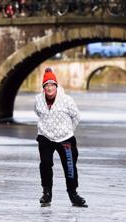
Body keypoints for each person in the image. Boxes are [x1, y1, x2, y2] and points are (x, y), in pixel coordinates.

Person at [34, 68, 87, 207]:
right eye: (46, 85)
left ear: (56, 86)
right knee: (45, 164)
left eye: (52, 85)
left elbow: (76, 116)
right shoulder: (38, 100)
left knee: (69, 166)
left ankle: (73, 194)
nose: (49, 88)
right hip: (45, 137)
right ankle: (46, 193)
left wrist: (69, 131)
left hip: (65, 138)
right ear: (43, 87)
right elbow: (38, 113)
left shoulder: (66, 100)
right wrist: (45, 128)